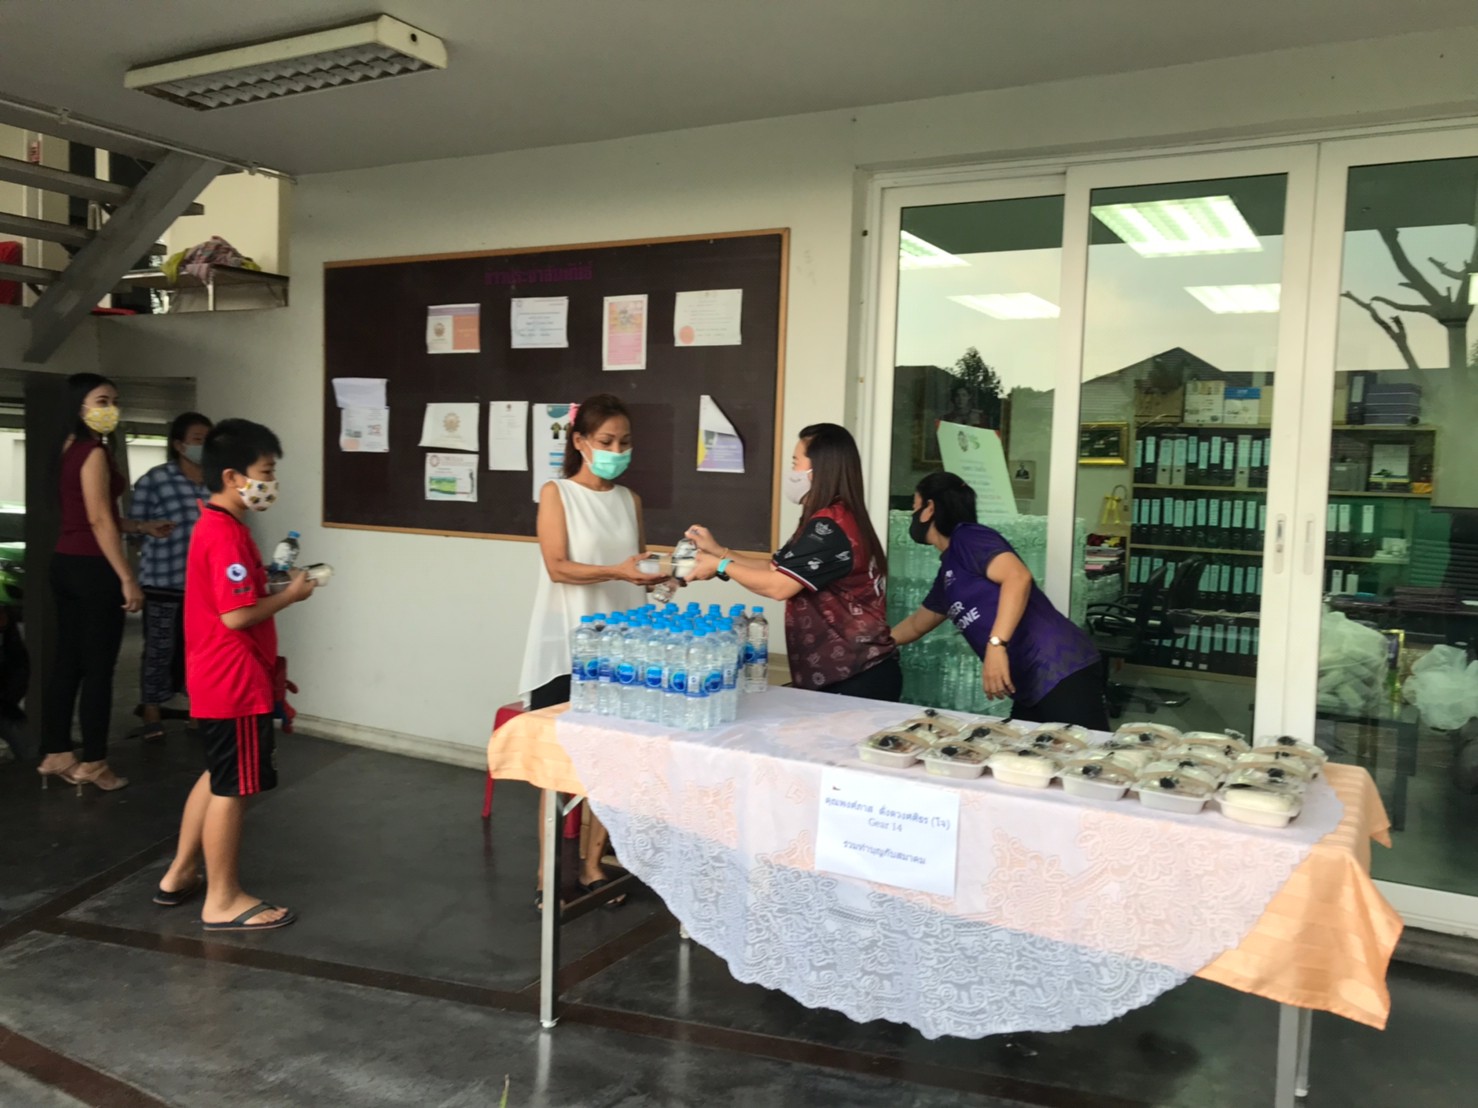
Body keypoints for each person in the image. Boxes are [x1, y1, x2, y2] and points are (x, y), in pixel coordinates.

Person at [153, 419, 316, 931]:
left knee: (218, 775)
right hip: (234, 681)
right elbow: (236, 616)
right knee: (234, 789)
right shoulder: (225, 534)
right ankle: (222, 899)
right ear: (231, 476)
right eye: (265, 472)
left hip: (217, 676)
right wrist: (291, 596)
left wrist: (272, 587)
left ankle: (180, 873)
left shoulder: (218, 525)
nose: (270, 483)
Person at [518, 393, 664, 909]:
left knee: (614, 762)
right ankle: (547, 875)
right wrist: (618, 571)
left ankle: (593, 864)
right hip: (567, 646)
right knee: (557, 769)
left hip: (622, 649)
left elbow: (635, 567)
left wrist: (659, 578)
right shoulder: (557, 493)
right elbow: (558, 566)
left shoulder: (629, 500)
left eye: (625, 442)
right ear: (580, 442)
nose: (616, 452)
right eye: (606, 441)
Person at [686, 423, 900, 700]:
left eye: (795, 462)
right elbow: (774, 570)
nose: (792, 472)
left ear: (819, 470)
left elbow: (778, 586)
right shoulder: (830, 518)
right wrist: (718, 552)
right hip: (845, 673)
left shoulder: (829, 526)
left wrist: (720, 566)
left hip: (855, 676)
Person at [37, 374, 174, 793]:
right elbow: (98, 520)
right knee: (99, 668)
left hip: (65, 562)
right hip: (94, 569)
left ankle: (56, 751)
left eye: (114, 400)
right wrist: (127, 577)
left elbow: (91, 516)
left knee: (68, 662)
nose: (111, 408)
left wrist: (141, 526)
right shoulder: (93, 452)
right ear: (79, 405)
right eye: (101, 400)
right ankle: (95, 762)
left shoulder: (67, 448)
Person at [891, 471, 1108, 730]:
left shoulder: (969, 537)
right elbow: (917, 624)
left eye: (914, 506)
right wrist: (874, 645)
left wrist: (996, 645)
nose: (912, 515)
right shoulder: (948, 571)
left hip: (1059, 667)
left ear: (929, 509)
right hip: (1028, 684)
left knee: (1087, 750)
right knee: (1020, 752)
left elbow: (1017, 577)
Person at [129, 411, 213, 742]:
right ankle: (151, 711)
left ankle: (197, 711)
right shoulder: (155, 480)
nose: (204, 446)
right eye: (198, 440)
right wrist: (151, 532)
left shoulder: (218, 482)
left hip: (204, 585)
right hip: (163, 579)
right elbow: (134, 530)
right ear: (179, 445)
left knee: (199, 651)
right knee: (159, 650)